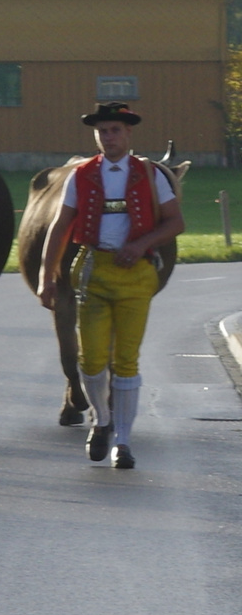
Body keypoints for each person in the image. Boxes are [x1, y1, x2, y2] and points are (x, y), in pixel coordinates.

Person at [38, 102, 184, 470]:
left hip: (136, 275)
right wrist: (46, 276)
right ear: (96, 136)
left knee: (126, 361)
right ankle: (101, 421)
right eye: (102, 131)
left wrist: (139, 245)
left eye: (115, 130)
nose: (109, 137)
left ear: (128, 134)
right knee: (91, 360)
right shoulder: (82, 175)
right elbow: (59, 227)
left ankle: (122, 440)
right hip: (94, 271)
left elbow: (175, 222)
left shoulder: (151, 175)